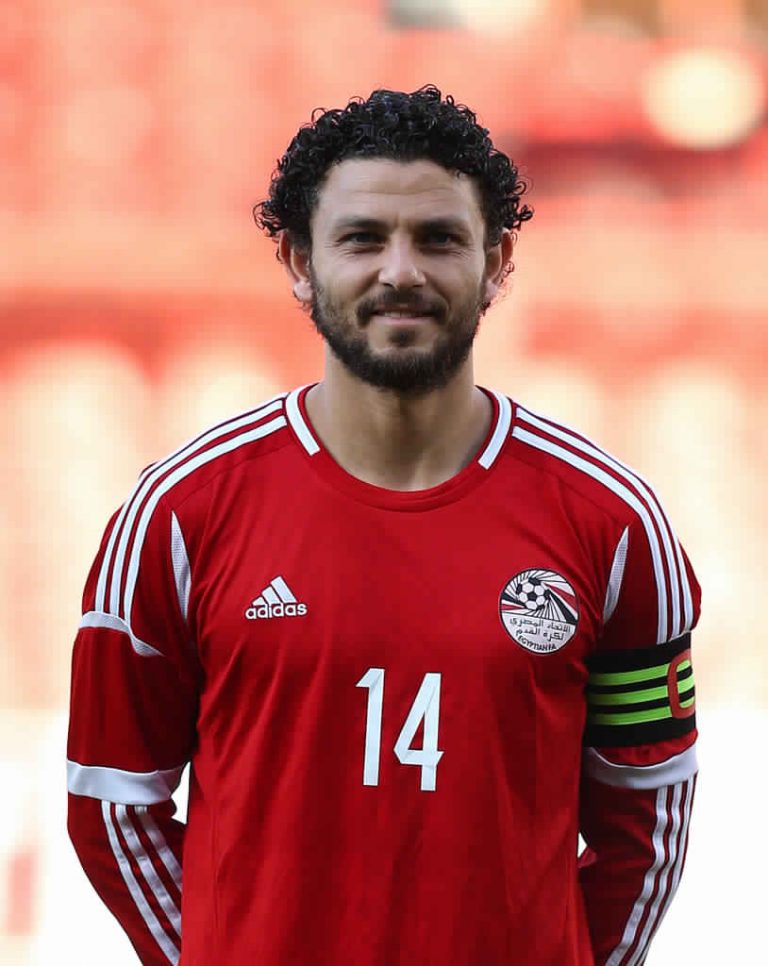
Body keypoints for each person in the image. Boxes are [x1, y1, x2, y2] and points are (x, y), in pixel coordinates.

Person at [67, 86, 700, 965]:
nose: (401, 271)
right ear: (298, 260)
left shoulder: (614, 524)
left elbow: (648, 819)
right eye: (362, 238)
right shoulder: (177, 515)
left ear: (498, 260)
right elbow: (111, 802)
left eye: (439, 238)